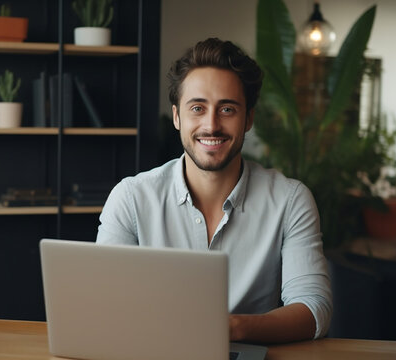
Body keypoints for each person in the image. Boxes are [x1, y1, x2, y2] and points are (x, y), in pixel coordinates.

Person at [96, 38, 332, 344]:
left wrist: (231, 328)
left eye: (227, 109)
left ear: (248, 118)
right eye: (197, 108)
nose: (211, 125)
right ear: (177, 117)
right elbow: (103, 305)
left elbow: (315, 310)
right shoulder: (131, 198)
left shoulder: (290, 201)